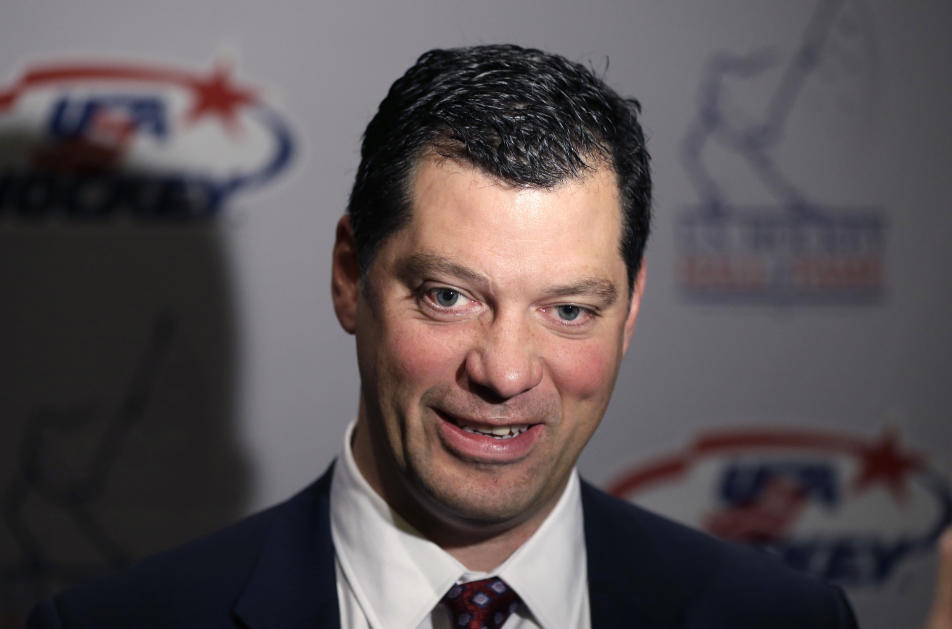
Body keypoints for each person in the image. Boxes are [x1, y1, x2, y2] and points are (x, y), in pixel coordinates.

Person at [28, 44, 858, 628]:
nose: (502, 371)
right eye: (449, 295)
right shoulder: (119, 620)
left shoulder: (781, 617)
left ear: (630, 310)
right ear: (351, 275)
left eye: (568, 309)